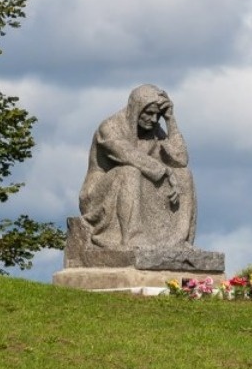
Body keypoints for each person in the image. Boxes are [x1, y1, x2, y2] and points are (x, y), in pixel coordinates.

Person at [78, 84, 196, 248]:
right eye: (149, 113)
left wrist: (170, 120)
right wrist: (166, 171)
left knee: (184, 175)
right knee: (130, 171)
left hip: (138, 186)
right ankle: (132, 238)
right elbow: (129, 156)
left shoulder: (154, 131)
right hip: (98, 195)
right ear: (136, 108)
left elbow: (180, 160)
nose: (154, 119)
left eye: (158, 115)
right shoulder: (110, 128)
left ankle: (178, 240)